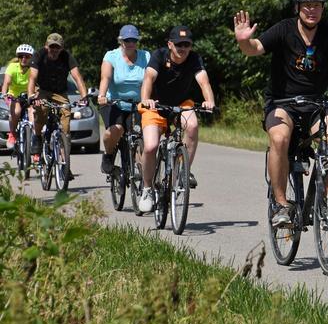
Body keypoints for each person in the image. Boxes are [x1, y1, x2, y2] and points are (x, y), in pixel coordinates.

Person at [234, 0, 328, 226]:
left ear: (322, 8)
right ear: (298, 7)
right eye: (307, 5)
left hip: (315, 105)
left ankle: (323, 199)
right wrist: (244, 40)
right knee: (279, 139)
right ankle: (281, 205)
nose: (312, 10)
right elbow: (254, 49)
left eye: (316, 5)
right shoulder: (283, 29)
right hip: (282, 104)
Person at [138, 25, 215, 213]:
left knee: (193, 125)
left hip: (181, 104)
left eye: (187, 44)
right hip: (155, 105)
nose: (183, 49)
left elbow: (203, 81)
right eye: (179, 44)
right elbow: (148, 78)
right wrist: (146, 100)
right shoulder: (159, 55)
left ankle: (183, 172)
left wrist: (209, 101)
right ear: (170, 44)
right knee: (150, 146)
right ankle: (147, 189)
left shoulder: (194, 58)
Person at [28, 33, 88, 178]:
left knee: (65, 125)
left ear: (61, 48)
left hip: (60, 93)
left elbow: (77, 77)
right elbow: (32, 77)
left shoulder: (67, 57)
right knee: (41, 109)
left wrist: (84, 96)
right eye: (51, 47)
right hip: (42, 90)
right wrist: (31, 96)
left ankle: (65, 164)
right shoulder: (39, 55)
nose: (54, 50)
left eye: (57, 47)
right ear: (46, 46)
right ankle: (37, 136)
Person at [98, 25, 150, 174]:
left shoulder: (145, 56)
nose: (131, 43)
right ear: (121, 41)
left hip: (138, 104)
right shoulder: (111, 56)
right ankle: (108, 156)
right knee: (116, 129)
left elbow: (151, 79)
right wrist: (102, 96)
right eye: (127, 40)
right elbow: (105, 78)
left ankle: (141, 175)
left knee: (141, 135)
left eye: (134, 40)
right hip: (114, 103)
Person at [1, 44, 35, 149]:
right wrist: (5, 95)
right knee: (16, 111)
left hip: (29, 95)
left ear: (31, 57)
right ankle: (12, 134)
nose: (24, 59)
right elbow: (6, 82)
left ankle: (34, 136)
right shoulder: (12, 67)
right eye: (21, 56)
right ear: (18, 57)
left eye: (27, 56)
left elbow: (38, 83)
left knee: (33, 111)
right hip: (14, 95)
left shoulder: (33, 68)